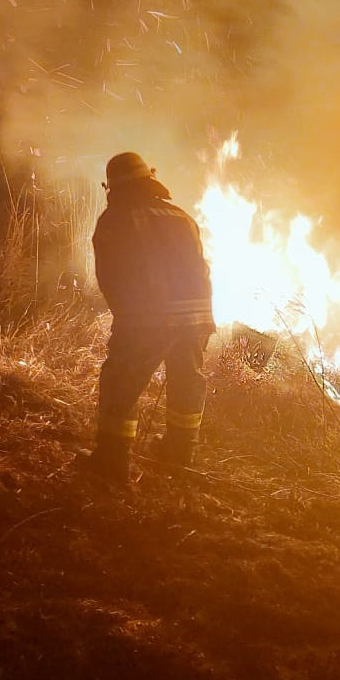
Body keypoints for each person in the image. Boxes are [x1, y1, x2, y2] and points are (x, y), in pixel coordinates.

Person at [79, 152, 216, 483]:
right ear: (150, 180)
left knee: (120, 381)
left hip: (149, 316)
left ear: (113, 187)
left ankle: (112, 462)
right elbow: (202, 269)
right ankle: (180, 454)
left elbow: (111, 277)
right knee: (187, 380)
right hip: (197, 316)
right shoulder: (182, 216)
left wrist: (127, 321)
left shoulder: (115, 219)